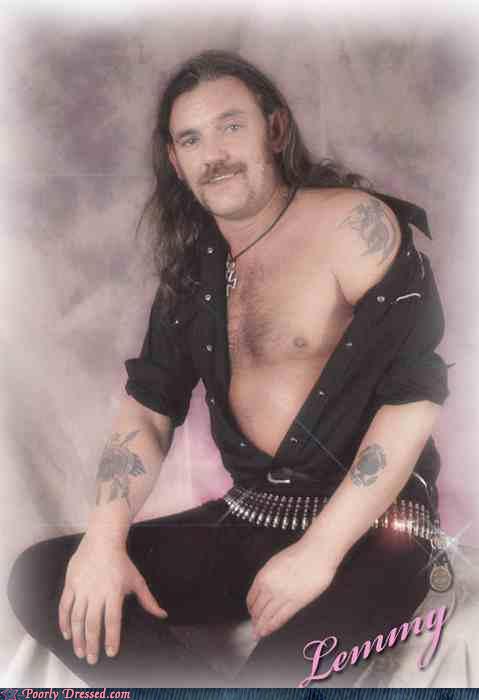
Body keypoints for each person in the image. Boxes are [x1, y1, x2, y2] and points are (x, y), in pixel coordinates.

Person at [8, 49, 451, 688]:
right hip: (252, 517)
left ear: (275, 129)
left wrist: (318, 553)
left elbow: (413, 396)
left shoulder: (353, 225)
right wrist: (103, 542)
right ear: (175, 160)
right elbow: (150, 410)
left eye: (231, 126)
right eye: (191, 139)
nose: (213, 153)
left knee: (272, 679)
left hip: (377, 530)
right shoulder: (195, 271)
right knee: (45, 576)